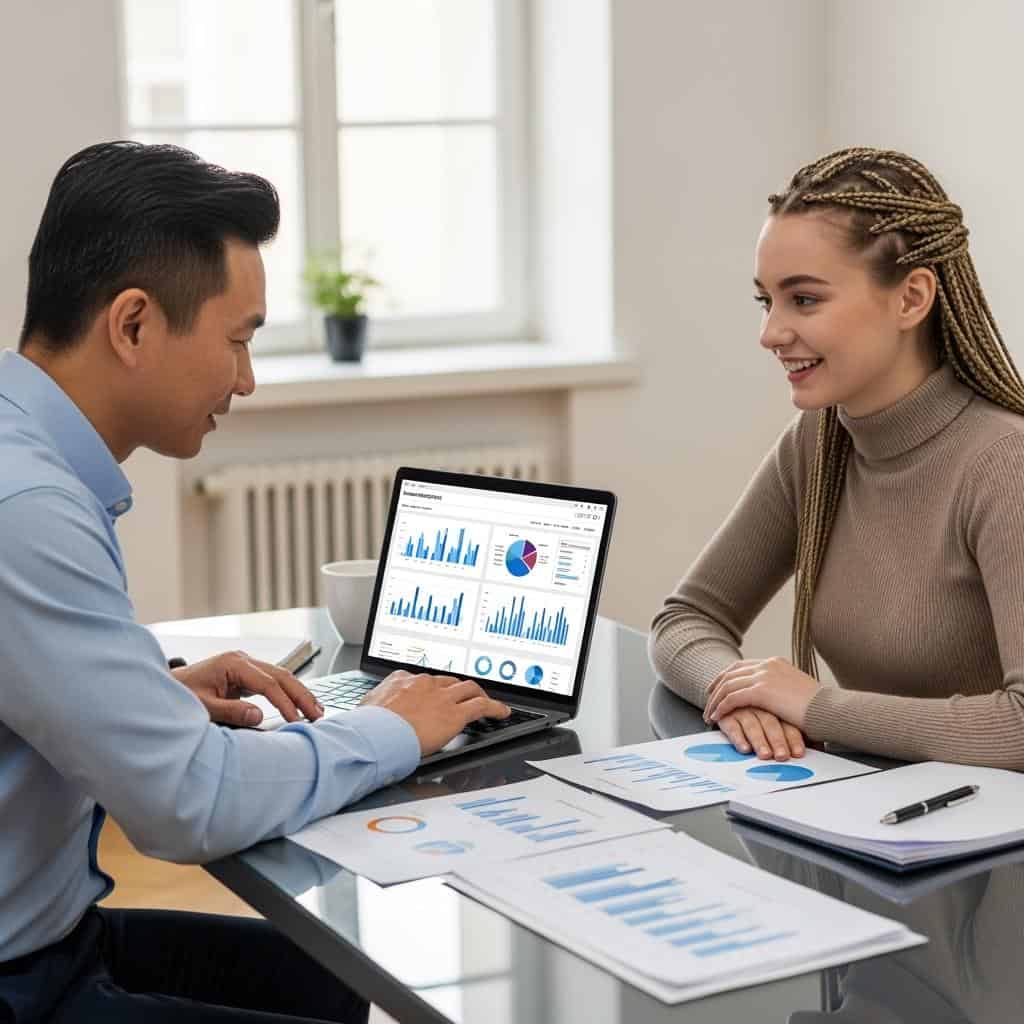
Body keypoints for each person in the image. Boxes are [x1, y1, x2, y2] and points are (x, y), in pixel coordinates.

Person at [0, 141, 509, 1023]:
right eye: (237, 341)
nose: (246, 380)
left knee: (338, 979)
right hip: (21, 982)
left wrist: (149, 693)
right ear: (132, 325)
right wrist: (390, 729)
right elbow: (188, 804)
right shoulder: (29, 504)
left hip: (51, 938)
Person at [650, 147, 1024, 771]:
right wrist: (739, 693)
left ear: (912, 298)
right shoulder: (819, 442)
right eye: (765, 300)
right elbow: (688, 619)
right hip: (864, 811)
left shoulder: (1003, 465)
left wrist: (816, 706)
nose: (770, 333)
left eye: (804, 300)